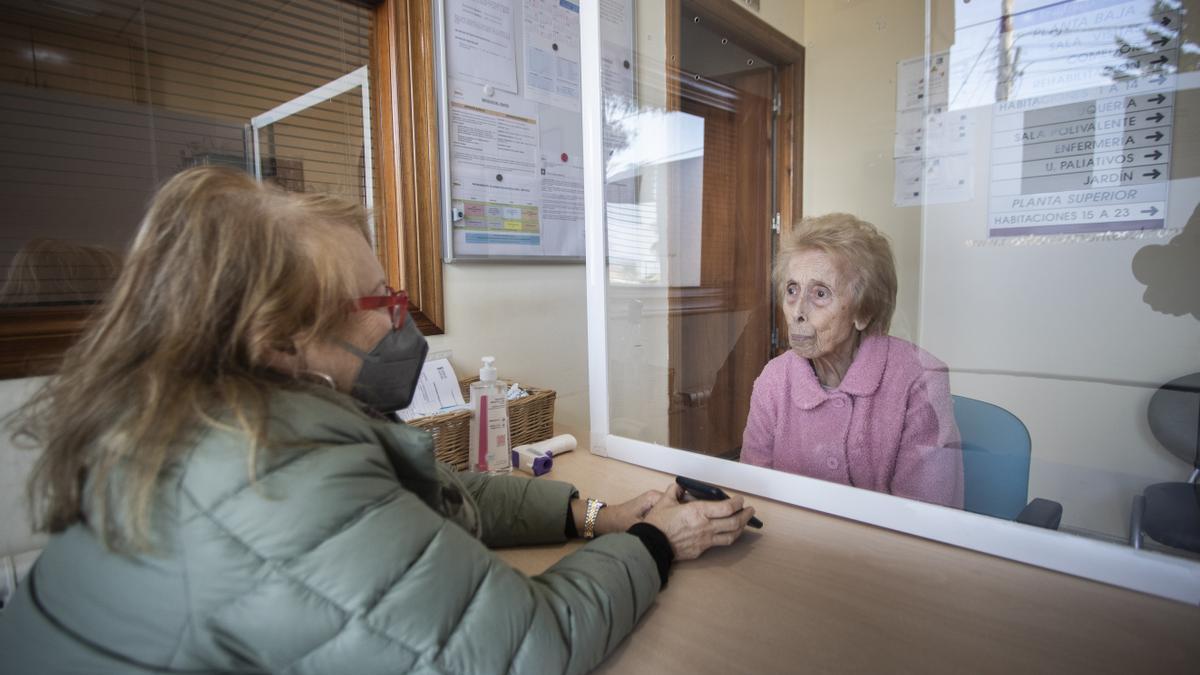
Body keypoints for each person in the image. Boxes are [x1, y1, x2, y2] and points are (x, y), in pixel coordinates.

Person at [0, 167, 756, 673]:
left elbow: (430, 492)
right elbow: (529, 647)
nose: (404, 323)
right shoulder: (271, 477)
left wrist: (594, 512)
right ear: (280, 339)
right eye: (381, 303)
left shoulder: (190, 417)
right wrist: (659, 539)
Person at [740, 213, 963, 508]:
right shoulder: (774, 378)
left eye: (820, 293)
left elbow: (926, 520)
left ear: (864, 312)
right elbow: (753, 492)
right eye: (792, 290)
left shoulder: (919, 379)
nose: (798, 311)